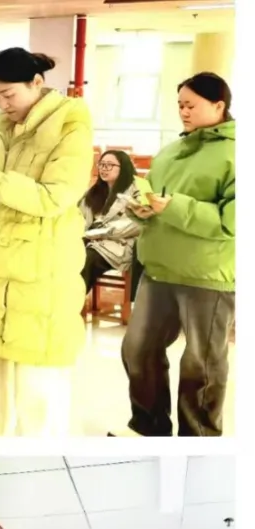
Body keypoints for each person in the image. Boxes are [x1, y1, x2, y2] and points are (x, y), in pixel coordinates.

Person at [0, 48, 92, 437]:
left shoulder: (70, 126)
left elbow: (53, 198)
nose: (2, 105)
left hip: (39, 274)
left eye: (9, 95)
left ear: (36, 83)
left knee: (36, 396)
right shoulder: (1, 128)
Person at [120, 72, 235, 438]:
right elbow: (155, 200)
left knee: (201, 363)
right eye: (180, 105)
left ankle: (198, 436)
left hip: (207, 274)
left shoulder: (238, 152)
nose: (183, 112)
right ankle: (148, 425)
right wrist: (141, 209)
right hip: (158, 269)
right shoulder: (170, 152)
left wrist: (173, 207)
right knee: (138, 349)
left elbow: (233, 221)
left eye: (191, 105)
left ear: (219, 105)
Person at [79, 149, 142, 294]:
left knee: (87, 259)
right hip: (91, 241)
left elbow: (136, 224)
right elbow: (79, 216)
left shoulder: (136, 191)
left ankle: (73, 301)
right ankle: (60, 299)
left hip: (118, 245)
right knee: (67, 254)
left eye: (109, 165)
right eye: (101, 164)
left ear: (123, 167)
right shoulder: (94, 192)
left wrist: (101, 232)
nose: (104, 169)